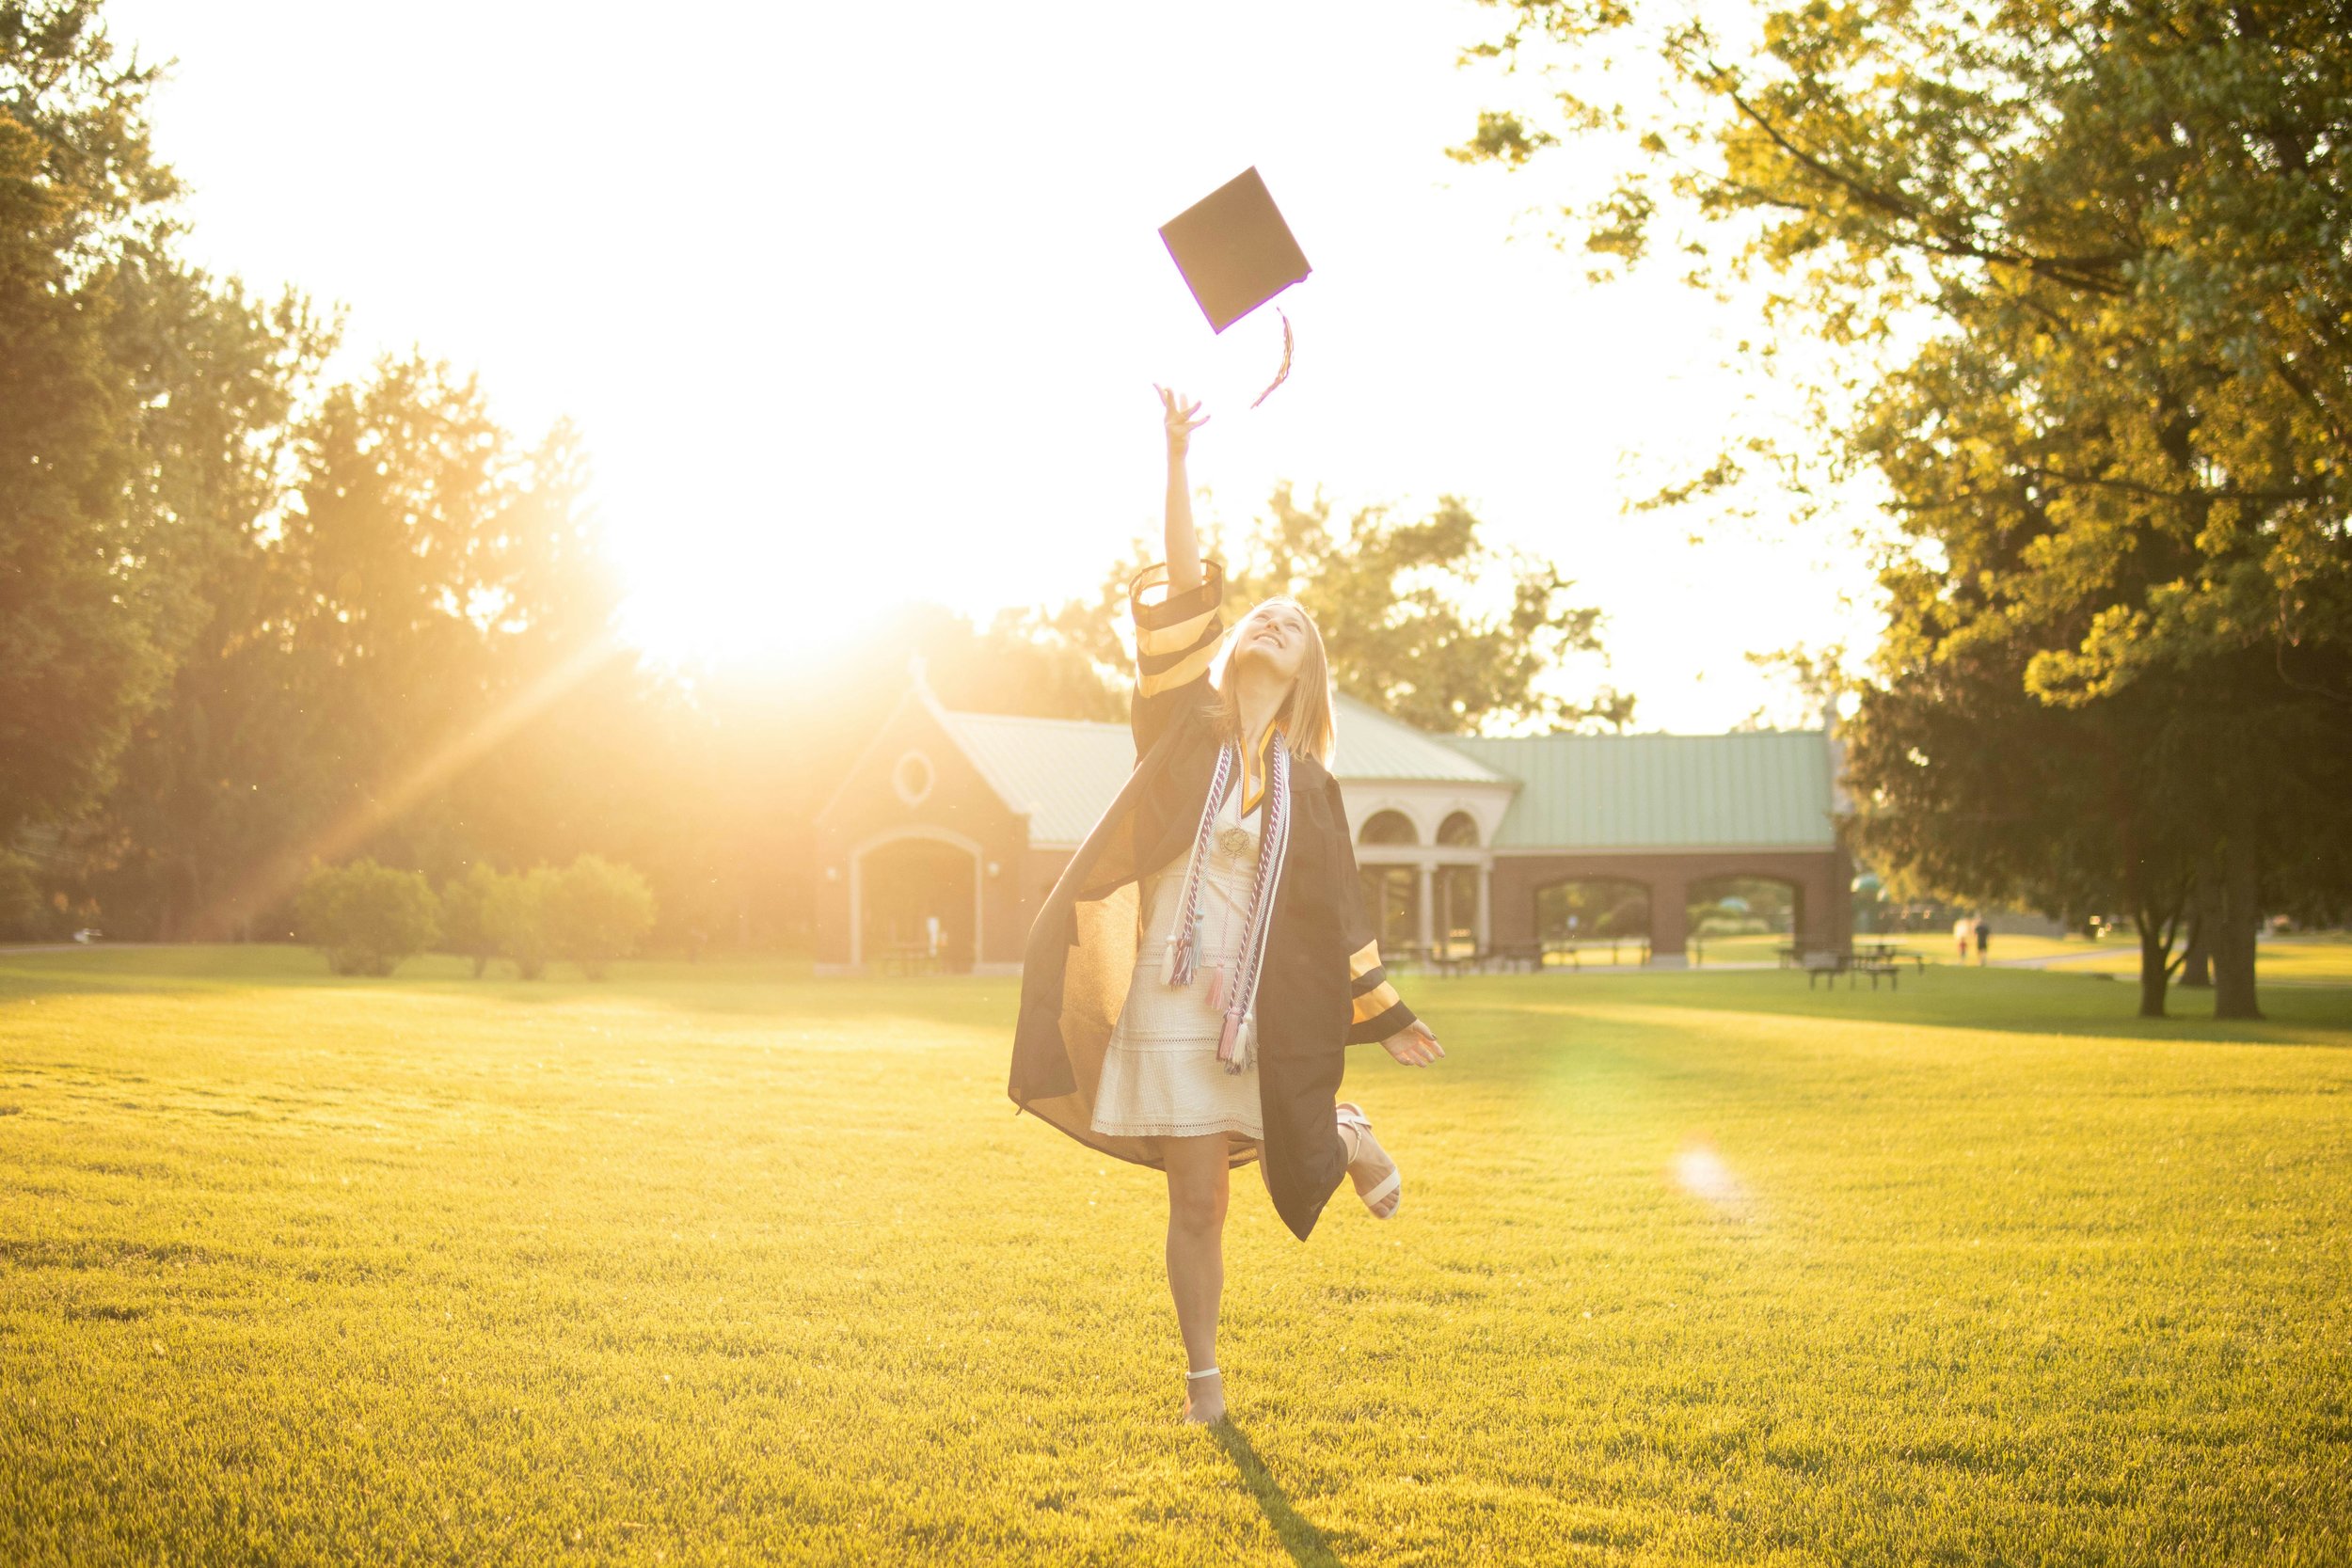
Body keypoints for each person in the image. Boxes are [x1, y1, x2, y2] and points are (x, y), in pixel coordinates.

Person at [1007, 387, 1445, 1426]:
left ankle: (1338, 1130)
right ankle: (1202, 1372)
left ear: (1306, 672)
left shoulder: (1314, 784)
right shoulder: (1178, 726)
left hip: (1265, 1002)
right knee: (1198, 1194)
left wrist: (1383, 1010)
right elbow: (1182, 593)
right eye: (1264, 614)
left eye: (1293, 626)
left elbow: (1338, 909)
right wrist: (1174, 463)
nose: (1272, 622)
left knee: (1279, 1128)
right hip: (1175, 989)